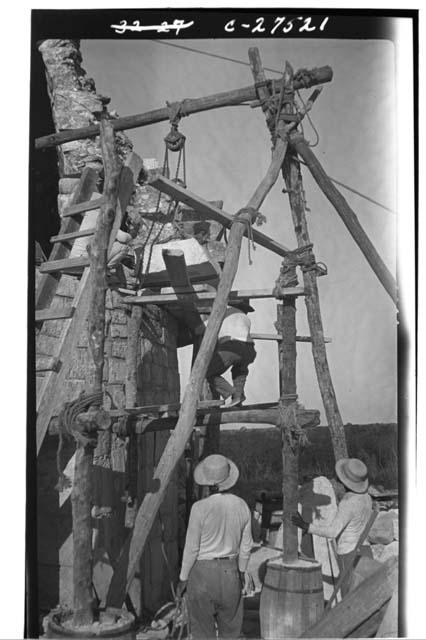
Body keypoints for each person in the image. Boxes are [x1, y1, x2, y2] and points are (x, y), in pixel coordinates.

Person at [176, 454, 254, 639]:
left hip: (202, 575)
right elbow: (246, 546)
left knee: (202, 631)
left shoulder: (199, 508)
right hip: (230, 573)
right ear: (229, 479)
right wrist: (242, 572)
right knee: (231, 630)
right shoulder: (241, 505)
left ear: (206, 481)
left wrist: (183, 578)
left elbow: (192, 548)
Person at [291, 458, 373, 596]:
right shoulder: (367, 497)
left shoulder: (348, 502)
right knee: (366, 595)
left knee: (349, 597)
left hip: (349, 554)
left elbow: (333, 532)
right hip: (365, 549)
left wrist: (306, 526)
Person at [205, 299, 257, 407]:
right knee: (239, 370)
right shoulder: (246, 318)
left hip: (232, 347)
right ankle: (238, 396)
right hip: (250, 349)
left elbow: (205, 327)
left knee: (208, 372)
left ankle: (232, 393)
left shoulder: (225, 312)